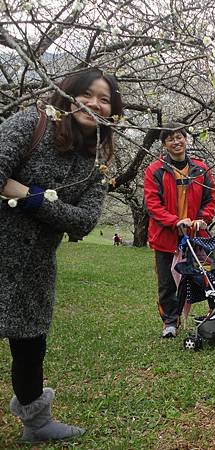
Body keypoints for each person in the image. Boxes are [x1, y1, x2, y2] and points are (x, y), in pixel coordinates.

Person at [0, 68, 123, 442]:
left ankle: (36, 423)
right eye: (88, 94)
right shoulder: (31, 124)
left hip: (35, 264)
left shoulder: (96, 164)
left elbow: (84, 221)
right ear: (67, 93)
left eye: (105, 100)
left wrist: (28, 195)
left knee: (30, 342)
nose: (95, 104)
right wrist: (47, 204)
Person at [144, 123, 215, 338]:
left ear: (186, 139)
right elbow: (152, 204)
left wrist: (203, 219)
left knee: (208, 275)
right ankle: (170, 322)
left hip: (196, 235)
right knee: (167, 282)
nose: (176, 142)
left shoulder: (200, 169)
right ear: (164, 144)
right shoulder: (155, 170)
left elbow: (210, 198)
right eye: (170, 139)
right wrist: (174, 221)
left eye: (179, 137)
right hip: (165, 237)